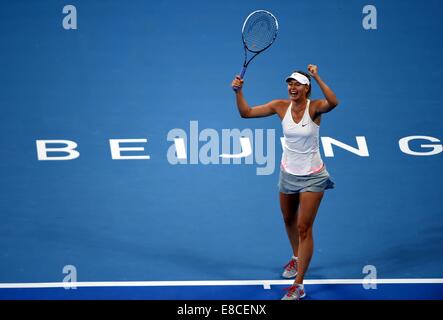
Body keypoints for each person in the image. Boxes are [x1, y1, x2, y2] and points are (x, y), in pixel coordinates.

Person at [231, 65, 339, 300]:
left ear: (306, 88)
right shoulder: (280, 106)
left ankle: (299, 284)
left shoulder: (316, 108)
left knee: (304, 227)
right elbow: (246, 113)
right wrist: (238, 92)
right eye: (290, 83)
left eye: (297, 83)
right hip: (288, 174)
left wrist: (318, 75)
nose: (292, 87)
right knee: (289, 219)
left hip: (313, 175)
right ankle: (296, 257)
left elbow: (334, 102)